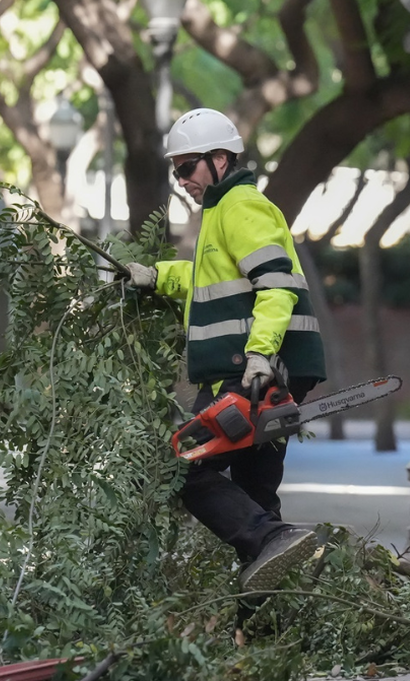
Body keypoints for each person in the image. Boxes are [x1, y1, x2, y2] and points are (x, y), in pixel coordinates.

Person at [124, 108, 326, 591]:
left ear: (219, 159)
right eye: (176, 171)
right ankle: (268, 625)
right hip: (259, 370)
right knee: (256, 494)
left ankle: (270, 538)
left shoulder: (241, 207)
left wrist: (260, 356)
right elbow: (210, 281)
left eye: (187, 167)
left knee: (185, 467)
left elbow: (276, 286)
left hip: (253, 371)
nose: (181, 180)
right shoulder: (221, 214)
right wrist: (156, 276)